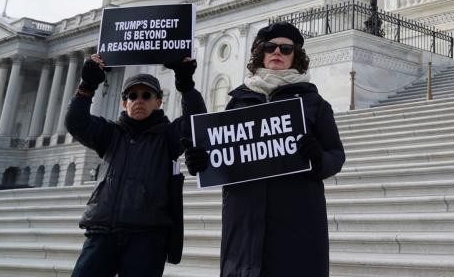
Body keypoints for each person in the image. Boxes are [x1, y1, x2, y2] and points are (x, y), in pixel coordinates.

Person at [183, 21, 346, 277]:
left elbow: (336, 155)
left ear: (297, 56)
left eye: (286, 48)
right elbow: (222, 152)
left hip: (296, 217)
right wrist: (202, 161)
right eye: (270, 47)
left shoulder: (314, 103)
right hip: (244, 218)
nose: (277, 52)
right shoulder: (238, 102)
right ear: (261, 53)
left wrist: (317, 158)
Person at [66, 55, 206, 277]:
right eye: (132, 95)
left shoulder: (168, 136)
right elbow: (76, 123)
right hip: (103, 233)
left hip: (147, 236)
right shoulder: (110, 134)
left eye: (146, 95)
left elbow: (196, 122)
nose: (138, 100)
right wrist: (87, 86)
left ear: (158, 101)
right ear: (124, 102)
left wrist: (186, 84)